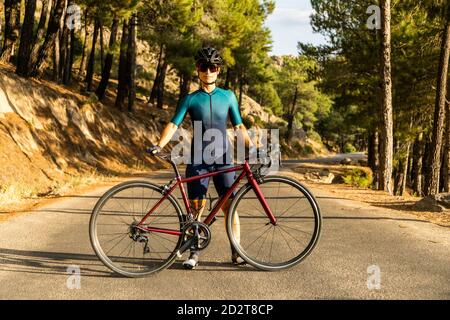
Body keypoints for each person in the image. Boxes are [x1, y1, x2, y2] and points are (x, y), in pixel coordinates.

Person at [148, 47, 255, 269]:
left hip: (224, 158)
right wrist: (159, 144)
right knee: (197, 207)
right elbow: (173, 123)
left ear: (218, 70)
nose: (208, 71)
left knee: (230, 206)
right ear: (197, 69)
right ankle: (194, 252)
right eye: (203, 67)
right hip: (198, 158)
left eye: (213, 67)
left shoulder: (228, 96)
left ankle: (237, 250)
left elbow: (238, 126)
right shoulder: (190, 99)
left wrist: (252, 148)